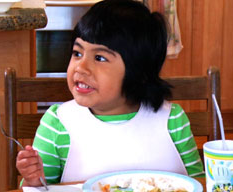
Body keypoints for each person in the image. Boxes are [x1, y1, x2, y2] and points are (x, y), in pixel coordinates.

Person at [16, 0, 204, 187]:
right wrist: (33, 179)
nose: (80, 67)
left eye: (99, 58)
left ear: (138, 72)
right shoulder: (57, 124)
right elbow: (37, 188)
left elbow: (200, 183)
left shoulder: (172, 120)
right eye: (77, 53)